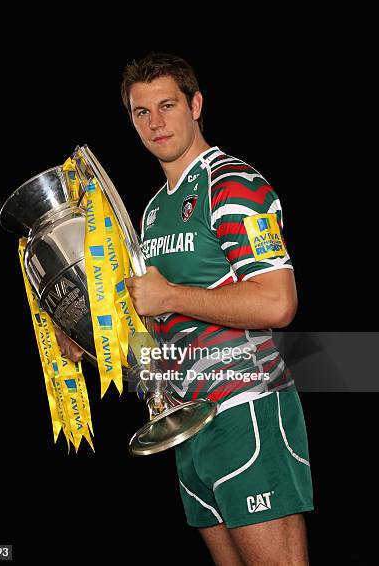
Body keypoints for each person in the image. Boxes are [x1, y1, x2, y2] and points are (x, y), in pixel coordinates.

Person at [57, 53, 314, 565]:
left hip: (246, 409)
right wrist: (91, 346)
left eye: (168, 105)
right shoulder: (153, 211)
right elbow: (164, 338)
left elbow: (278, 303)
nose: (156, 123)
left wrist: (169, 296)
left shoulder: (233, 183)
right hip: (189, 424)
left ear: (196, 105)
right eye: (141, 111)